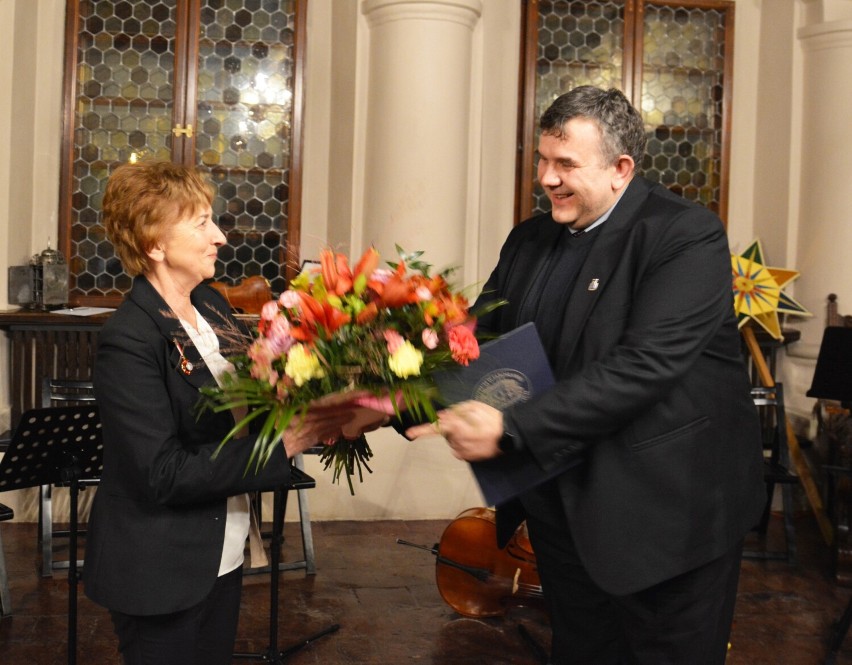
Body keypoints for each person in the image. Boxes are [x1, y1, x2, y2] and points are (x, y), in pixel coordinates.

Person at [407, 86, 765, 664]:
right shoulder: (530, 238)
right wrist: (385, 402)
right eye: (543, 161)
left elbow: (644, 367)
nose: (546, 178)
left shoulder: (684, 235)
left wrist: (510, 428)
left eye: (565, 164)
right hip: (565, 513)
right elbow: (476, 344)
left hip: (668, 521)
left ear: (622, 169)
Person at [83, 160, 353, 665]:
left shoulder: (210, 306)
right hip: (159, 566)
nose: (221, 237)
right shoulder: (130, 338)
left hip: (221, 550)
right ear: (154, 245)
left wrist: (322, 412)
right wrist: (286, 443)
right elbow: (164, 474)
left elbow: (246, 411)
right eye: (202, 223)